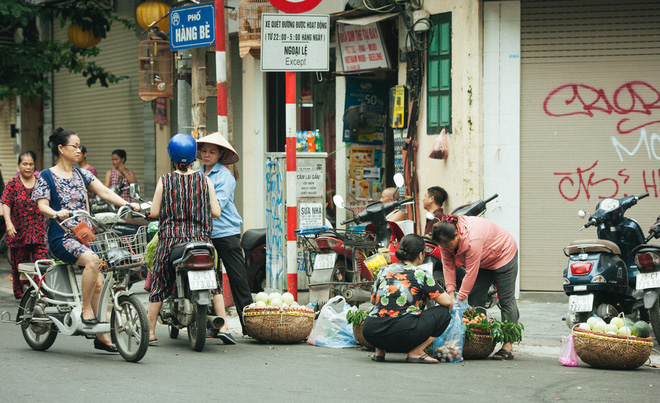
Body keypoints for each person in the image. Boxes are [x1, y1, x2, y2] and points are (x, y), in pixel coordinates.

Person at [32, 127, 140, 353]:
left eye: (80, 145)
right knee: (92, 261)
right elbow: (41, 204)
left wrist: (127, 205)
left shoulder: (83, 174)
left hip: (86, 236)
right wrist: (55, 213)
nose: (79, 150)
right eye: (74, 146)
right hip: (61, 237)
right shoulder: (46, 176)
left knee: (99, 282)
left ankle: (101, 336)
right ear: (61, 149)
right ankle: (85, 311)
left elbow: (105, 192)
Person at [147, 133, 222, 345]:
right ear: (194, 157)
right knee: (214, 282)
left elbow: (154, 211)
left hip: (172, 240)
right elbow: (216, 212)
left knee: (159, 282)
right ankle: (224, 326)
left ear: (172, 156)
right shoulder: (204, 180)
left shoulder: (165, 180)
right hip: (201, 241)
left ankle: (150, 332)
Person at [431, 214, 520, 360]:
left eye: (448, 245)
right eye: (443, 246)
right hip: (484, 259)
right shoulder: (445, 239)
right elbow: (448, 266)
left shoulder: (473, 239)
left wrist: (458, 300)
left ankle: (508, 345)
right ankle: (479, 340)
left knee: (506, 300)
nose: (446, 248)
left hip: (504, 253)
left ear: (457, 235)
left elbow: (471, 273)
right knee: (476, 298)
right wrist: (450, 293)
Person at [362, 234, 454, 364]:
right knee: (444, 313)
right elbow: (448, 302)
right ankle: (416, 352)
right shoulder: (420, 273)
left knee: (380, 308)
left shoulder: (385, 270)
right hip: (403, 333)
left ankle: (379, 351)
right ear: (421, 255)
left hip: (371, 332)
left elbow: (373, 301)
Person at [197, 132, 253, 343]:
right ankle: (214, 323)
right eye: (204, 151)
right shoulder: (196, 174)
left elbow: (216, 207)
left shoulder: (225, 176)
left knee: (238, 278)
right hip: (204, 233)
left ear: (220, 154)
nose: (207, 155)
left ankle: (249, 325)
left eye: (212, 151)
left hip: (226, 232)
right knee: (210, 279)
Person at [2, 151, 48, 299]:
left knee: (41, 262)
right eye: (24, 164)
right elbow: (5, 203)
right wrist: (9, 224)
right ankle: (21, 294)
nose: (28, 167)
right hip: (18, 231)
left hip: (38, 230)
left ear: (34, 165)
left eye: (31, 164)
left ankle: (40, 292)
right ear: (19, 165)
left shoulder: (40, 181)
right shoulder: (13, 183)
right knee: (19, 266)